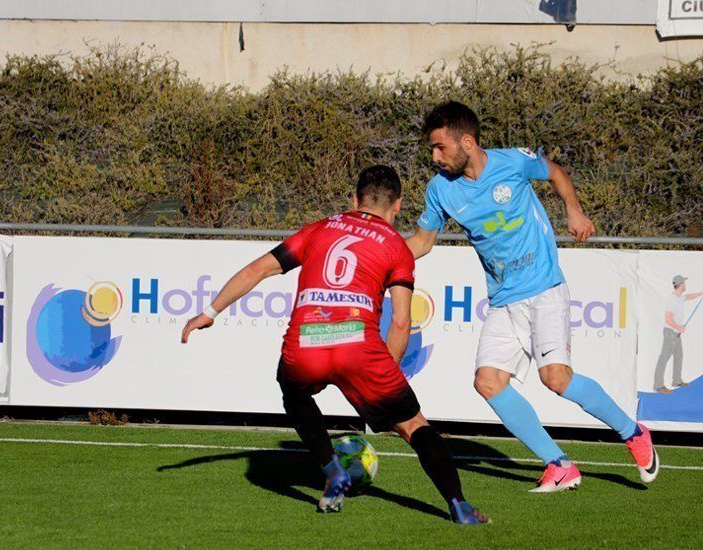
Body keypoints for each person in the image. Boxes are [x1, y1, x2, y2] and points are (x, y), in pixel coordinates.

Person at [182, 165, 490, 524]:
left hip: (306, 344)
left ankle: (332, 470)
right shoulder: (396, 247)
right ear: (398, 206)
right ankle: (459, 506)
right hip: (360, 350)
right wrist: (382, 379)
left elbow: (257, 270)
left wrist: (210, 311)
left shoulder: (320, 229)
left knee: (293, 391)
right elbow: (402, 321)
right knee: (413, 425)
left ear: (354, 199)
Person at [405, 101, 659, 492]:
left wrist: (574, 212)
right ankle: (559, 465)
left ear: (467, 142)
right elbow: (422, 242)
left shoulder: (513, 162)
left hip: (544, 289)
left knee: (556, 379)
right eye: (432, 149)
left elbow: (554, 172)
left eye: (441, 147)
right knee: (488, 382)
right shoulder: (440, 190)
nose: (435, 156)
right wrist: (379, 256)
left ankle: (633, 432)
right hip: (503, 300)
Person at [653, 274, 703, 394]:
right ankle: (658, 385)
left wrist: (702, 292)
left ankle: (676, 381)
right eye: (684, 282)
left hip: (676, 333)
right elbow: (668, 319)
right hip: (670, 333)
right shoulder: (672, 300)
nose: (685, 284)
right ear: (681, 284)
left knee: (679, 356)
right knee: (664, 358)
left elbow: (688, 297)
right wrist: (679, 327)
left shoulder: (679, 297)